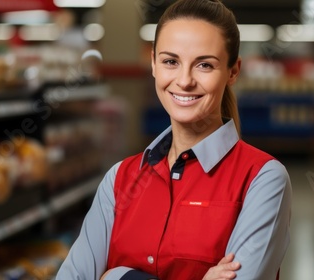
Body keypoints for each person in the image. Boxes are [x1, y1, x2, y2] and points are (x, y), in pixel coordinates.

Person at [56, 0, 292, 279]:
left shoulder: (263, 180)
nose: (184, 80)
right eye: (171, 61)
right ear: (154, 64)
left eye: (204, 65)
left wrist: (118, 276)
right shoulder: (118, 180)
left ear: (233, 71)